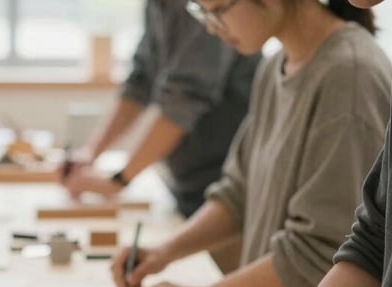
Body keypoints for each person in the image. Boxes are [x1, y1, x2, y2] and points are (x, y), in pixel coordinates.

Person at [114, 0, 391, 287]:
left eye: (218, 10)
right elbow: (237, 194)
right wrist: (166, 251)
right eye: (200, 12)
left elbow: (317, 251)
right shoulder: (276, 65)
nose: (210, 27)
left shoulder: (348, 76)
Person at [61, 0, 260, 220]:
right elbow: (141, 81)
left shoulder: (202, 5)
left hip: (224, 177)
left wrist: (119, 180)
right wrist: (90, 153)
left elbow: (185, 98)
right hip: (190, 176)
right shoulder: (159, 5)